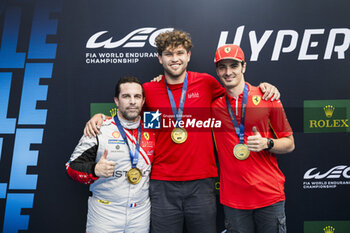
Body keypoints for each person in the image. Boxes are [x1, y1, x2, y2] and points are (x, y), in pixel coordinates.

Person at [84, 30, 280, 233]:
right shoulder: (149, 89)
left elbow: (236, 92)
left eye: (179, 53)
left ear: (188, 56)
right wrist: (102, 118)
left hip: (202, 183)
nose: (174, 59)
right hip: (162, 183)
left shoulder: (206, 82)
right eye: (168, 54)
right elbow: (128, 114)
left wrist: (263, 88)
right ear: (160, 58)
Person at [211, 44, 295, 233]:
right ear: (217, 70)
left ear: (244, 67)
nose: (228, 72)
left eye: (233, 66)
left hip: (268, 194)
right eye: (222, 67)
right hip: (234, 200)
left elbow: (289, 143)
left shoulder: (267, 96)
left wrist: (268, 143)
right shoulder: (213, 105)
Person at [66, 76, 155, 233]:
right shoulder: (99, 128)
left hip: (140, 213)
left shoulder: (153, 129)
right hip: (105, 212)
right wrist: (94, 170)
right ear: (116, 100)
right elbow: (71, 167)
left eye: (137, 96)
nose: (132, 101)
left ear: (143, 101)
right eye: (126, 96)